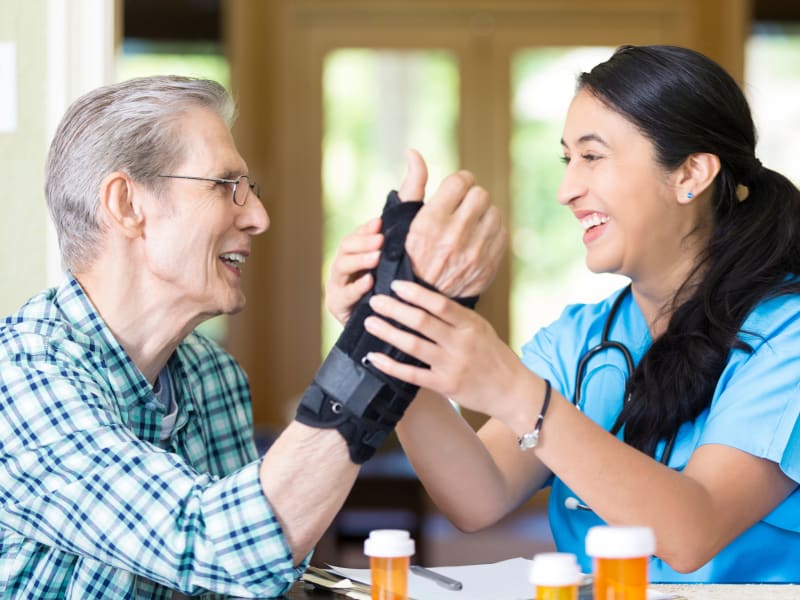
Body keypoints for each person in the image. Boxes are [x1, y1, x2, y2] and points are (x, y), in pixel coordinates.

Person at [0, 76, 504, 598]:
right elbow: (214, 545)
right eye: (226, 186)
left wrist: (384, 323)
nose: (259, 217)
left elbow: (254, 582)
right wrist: (381, 333)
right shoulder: (19, 375)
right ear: (127, 204)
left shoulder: (210, 374)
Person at [346, 45, 800, 582]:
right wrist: (392, 331)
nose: (566, 191)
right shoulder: (581, 338)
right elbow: (478, 496)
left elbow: (690, 532)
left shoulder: (784, 336)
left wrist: (516, 392)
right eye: (568, 160)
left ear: (690, 174)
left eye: (592, 156)